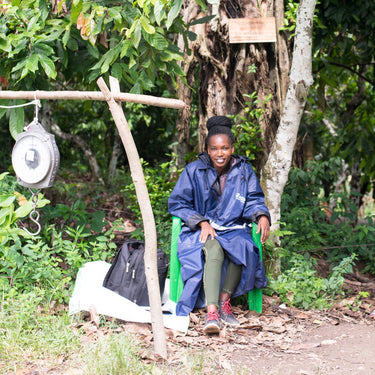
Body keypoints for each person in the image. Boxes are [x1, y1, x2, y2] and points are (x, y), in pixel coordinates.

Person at [168, 115, 271, 334]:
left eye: (224, 148)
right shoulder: (194, 170)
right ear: (207, 149)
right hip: (200, 229)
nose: (220, 153)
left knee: (243, 246)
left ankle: (225, 301)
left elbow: (253, 198)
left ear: (232, 148)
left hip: (232, 226)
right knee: (214, 249)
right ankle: (212, 312)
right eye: (214, 149)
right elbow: (178, 202)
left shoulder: (243, 170)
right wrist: (201, 221)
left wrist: (262, 215)